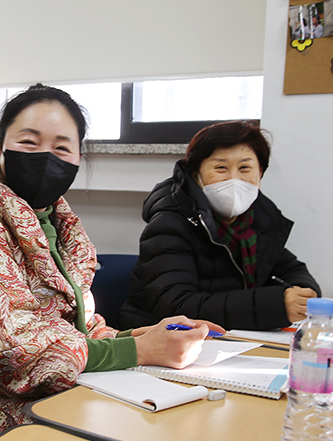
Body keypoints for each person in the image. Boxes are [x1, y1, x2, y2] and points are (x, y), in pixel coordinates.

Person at [0, 84, 223, 441]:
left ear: (78, 158)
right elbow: (11, 352)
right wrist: (140, 350)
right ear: (0, 148)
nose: (45, 157)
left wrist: (143, 335)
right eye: (29, 143)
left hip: (63, 401)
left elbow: (75, 326)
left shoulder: (56, 223)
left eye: (62, 147)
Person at [120, 121, 320, 331]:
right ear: (196, 175)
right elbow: (177, 306)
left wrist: (306, 295)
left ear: (260, 173)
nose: (234, 179)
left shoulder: (258, 222)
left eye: (245, 168)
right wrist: (275, 305)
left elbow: (291, 268)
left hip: (229, 338)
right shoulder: (170, 224)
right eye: (221, 168)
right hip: (161, 341)